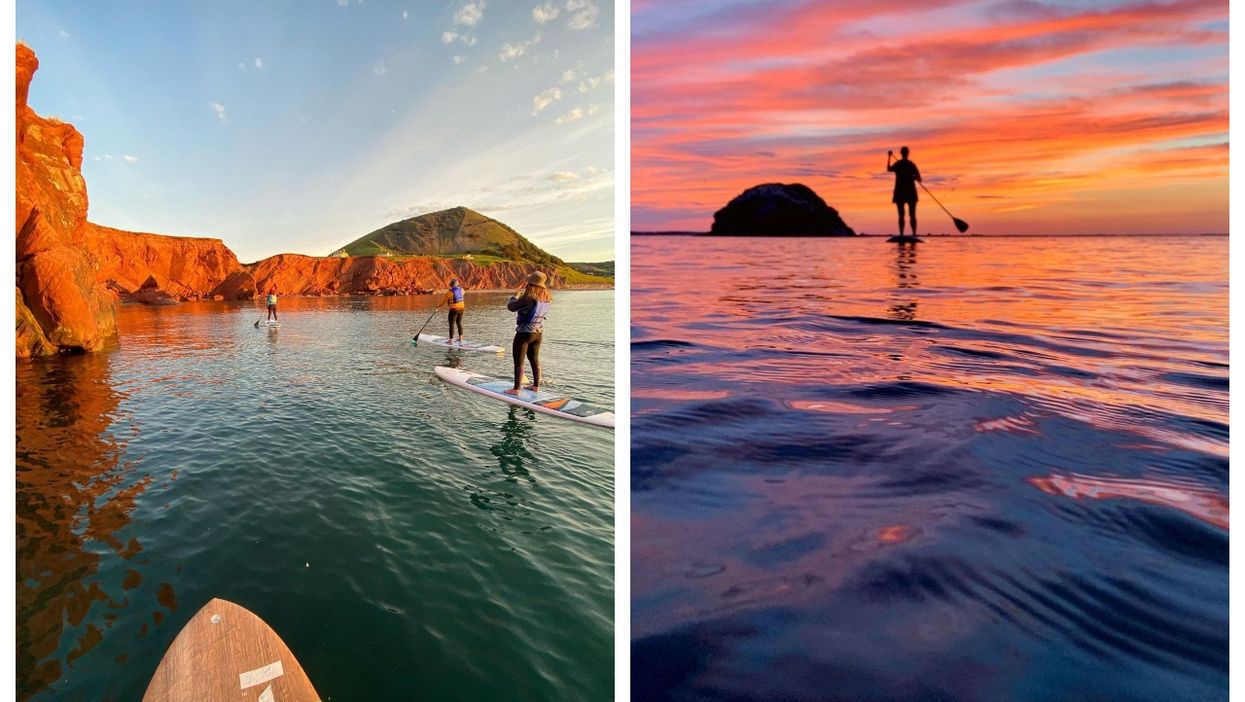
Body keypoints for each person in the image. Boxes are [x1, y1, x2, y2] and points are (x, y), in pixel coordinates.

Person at [504, 271, 552, 395]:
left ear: (530, 284)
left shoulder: (528, 298)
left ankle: (516, 389)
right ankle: (536, 386)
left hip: (524, 334)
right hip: (538, 334)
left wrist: (515, 296)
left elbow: (511, 307)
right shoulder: (546, 298)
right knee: (535, 360)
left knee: (518, 362)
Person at [887, 146, 921, 236]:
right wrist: (889, 157)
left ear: (905, 154)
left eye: (905, 153)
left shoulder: (910, 165)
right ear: (903, 154)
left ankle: (913, 234)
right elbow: (889, 169)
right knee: (902, 215)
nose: (904, 154)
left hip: (908, 192)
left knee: (911, 214)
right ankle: (902, 234)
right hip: (901, 192)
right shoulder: (900, 164)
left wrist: (915, 177)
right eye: (904, 153)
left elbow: (919, 178)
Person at [444, 278, 465, 344]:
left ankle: (450, 340)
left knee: (451, 324)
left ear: (450, 284)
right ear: (457, 284)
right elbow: (462, 294)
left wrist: (438, 307)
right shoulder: (462, 290)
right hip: (461, 309)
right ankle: (460, 338)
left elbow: (444, 301)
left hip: (454, 310)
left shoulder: (449, 292)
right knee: (459, 323)